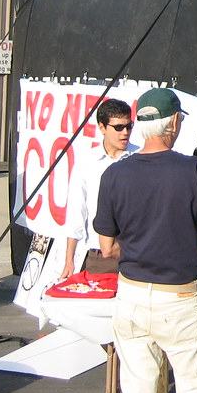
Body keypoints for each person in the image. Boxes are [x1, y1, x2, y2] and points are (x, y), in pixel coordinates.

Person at [94, 88, 197, 393]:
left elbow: (107, 247)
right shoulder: (195, 170)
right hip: (181, 299)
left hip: (132, 297)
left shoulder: (115, 175)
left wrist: (139, 247)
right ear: (173, 123)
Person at [59, 98, 136, 279]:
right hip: (99, 256)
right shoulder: (87, 162)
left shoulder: (141, 158)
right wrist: (69, 260)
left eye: (129, 126)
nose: (125, 132)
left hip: (136, 254)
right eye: (118, 127)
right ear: (102, 127)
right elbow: (77, 212)